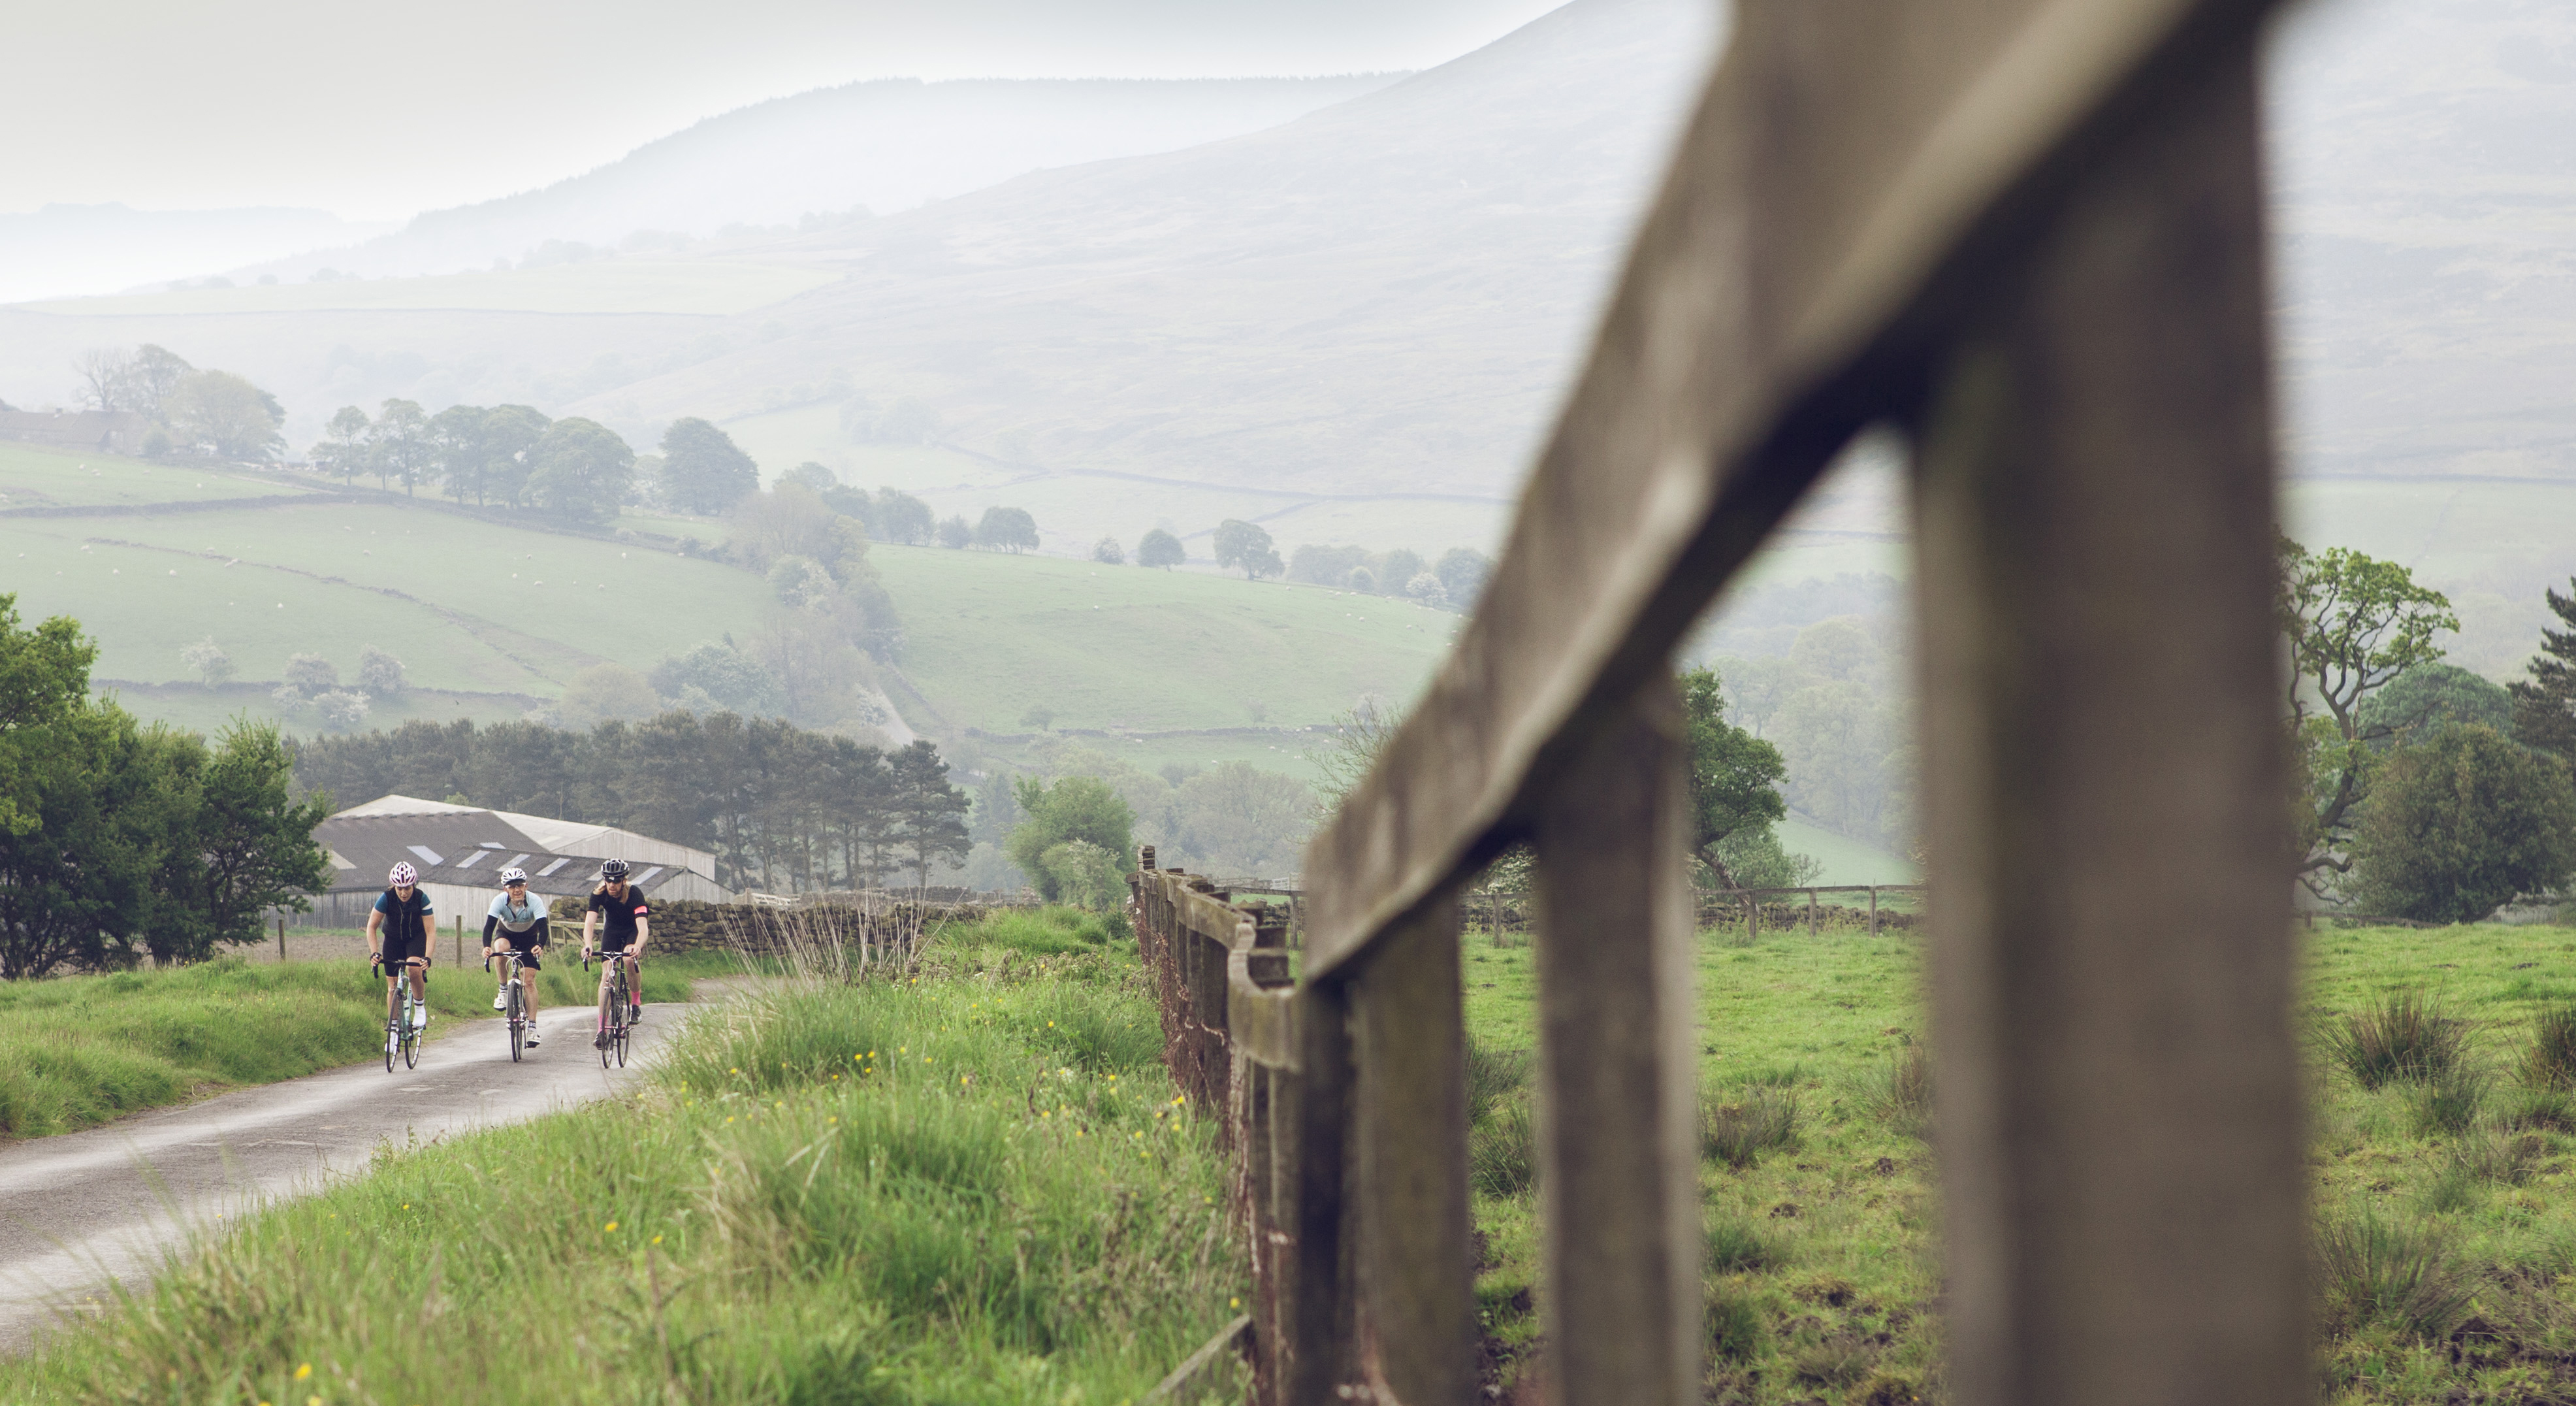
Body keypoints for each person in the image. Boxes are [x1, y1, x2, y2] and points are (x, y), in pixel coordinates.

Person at [365, 861, 435, 1048]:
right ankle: (394, 1031)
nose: (403, 893)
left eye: (407, 888)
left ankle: (419, 1007)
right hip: (393, 939)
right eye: (399, 888)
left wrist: (427, 957)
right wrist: (374, 953)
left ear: (414, 886)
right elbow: (371, 927)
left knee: (413, 969)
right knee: (392, 987)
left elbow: (431, 931)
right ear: (394, 887)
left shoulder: (422, 898)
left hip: (415, 938)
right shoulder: (386, 898)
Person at [583, 858, 651, 1049]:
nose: (612, 885)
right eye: (608, 880)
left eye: (617, 881)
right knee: (606, 976)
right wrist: (588, 945)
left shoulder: (635, 893)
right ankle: (601, 1029)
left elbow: (643, 928)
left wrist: (637, 946)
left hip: (632, 930)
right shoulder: (598, 893)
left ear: (624, 880)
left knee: (629, 961)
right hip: (612, 931)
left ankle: (636, 1004)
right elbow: (589, 923)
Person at [481, 867, 547, 1047]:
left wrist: (540, 945)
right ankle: (503, 990)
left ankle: (532, 1028)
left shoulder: (534, 901)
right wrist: (486, 947)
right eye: (512, 887)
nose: (517, 890)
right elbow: (489, 927)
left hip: (529, 938)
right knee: (500, 948)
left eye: (519, 886)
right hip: (507, 934)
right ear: (506, 889)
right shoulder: (499, 901)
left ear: (526, 886)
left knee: (529, 981)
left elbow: (543, 927)